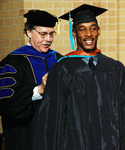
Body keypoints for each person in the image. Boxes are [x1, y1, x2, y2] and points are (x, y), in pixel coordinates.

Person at [33, 4, 125, 150]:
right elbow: (52, 121)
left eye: (93, 28)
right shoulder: (62, 70)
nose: (88, 34)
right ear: (74, 33)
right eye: (82, 29)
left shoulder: (115, 68)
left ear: (99, 31)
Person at [0, 9, 62, 150]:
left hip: (55, 137)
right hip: (25, 138)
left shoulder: (58, 59)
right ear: (29, 32)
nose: (48, 39)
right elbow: (5, 103)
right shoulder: (12, 63)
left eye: (51, 34)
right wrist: (39, 90)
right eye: (43, 34)